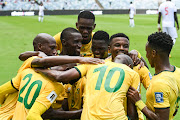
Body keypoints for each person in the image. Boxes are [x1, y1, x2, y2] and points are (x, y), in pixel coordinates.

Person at [0, 33, 103, 120]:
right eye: (52, 48)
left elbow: (1, 91)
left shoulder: (26, 71)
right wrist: (80, 59)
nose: (55, 52)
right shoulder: (54, 87)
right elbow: (34, 115)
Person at [35, 54, 140, 120]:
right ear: (129, 66)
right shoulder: (132, 73)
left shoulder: (93, 64)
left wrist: (40, 70)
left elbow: (61, 76)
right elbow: (132, 106)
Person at [127, 32, 178, 120]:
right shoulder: (177, 72)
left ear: (153, 53)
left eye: (147, 52)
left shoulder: (159, 84)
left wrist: (138, 102)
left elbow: (161, 119)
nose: (146, 56)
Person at [107, 33, 152, 120]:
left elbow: (153, 89)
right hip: (111, 116)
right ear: (109, 48)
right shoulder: (104, 65)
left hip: (135, 116)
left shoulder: (139, 67)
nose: (121, 48)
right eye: (117, 45)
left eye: (125, 46)